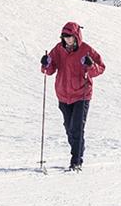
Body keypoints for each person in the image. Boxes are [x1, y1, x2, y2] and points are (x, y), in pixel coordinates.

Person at [40, 22, 106, 170]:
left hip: (82, 94)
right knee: (69, 129)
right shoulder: (58, 49)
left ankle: (76, 161)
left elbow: (100, 68)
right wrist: (45, 63)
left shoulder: (86, 50)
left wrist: (90, 66)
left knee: (76, 128)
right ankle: (78, 150)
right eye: (65, 37)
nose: (67, 40)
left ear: (76, 36)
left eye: (70, 37)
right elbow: (49, 70)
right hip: (63, 95)